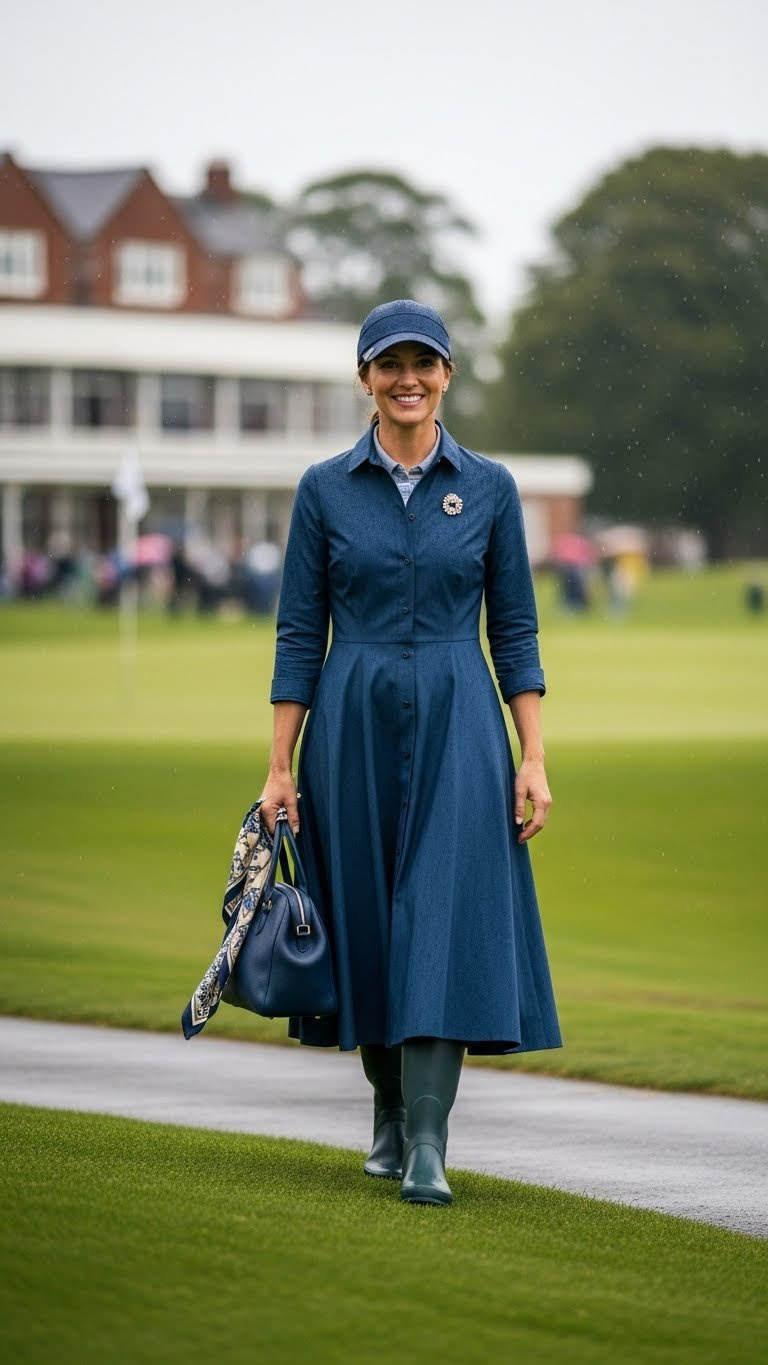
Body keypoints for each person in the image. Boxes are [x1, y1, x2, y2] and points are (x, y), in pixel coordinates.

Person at [259, 299, 561, 1206]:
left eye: (423, 363)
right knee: (367, 920)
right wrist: (280, 766)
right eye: (389, 365)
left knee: (438, 912)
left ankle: (428, 1142)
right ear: (364, 379)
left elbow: (514, 629)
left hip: (461, 718)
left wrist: (533, 754)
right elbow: (297, 632)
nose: (407, 380)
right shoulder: (323, 488)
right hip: (346, 718)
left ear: (448, 376)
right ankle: (388, 1112)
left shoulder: (493, 487)